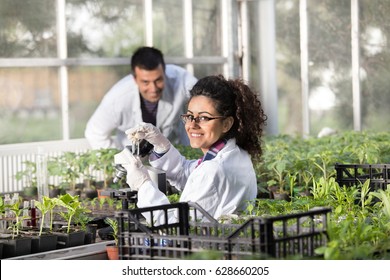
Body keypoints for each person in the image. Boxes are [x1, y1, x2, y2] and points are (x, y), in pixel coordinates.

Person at [114, 75, 267, 220]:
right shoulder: (233, 153)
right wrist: (161, 145)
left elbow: (174, 226)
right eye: (189, 116)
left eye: (204, 117)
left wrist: (143, 186)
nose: (192, 125)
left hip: (208, 246)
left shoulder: (213, 169)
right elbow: (189, 174)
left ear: (226, 123)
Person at [85, 46, 198, 149]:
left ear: (165, 72)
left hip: (174, 156)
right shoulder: (117, 98)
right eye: (145, 82)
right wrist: (121, 161)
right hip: (133, 159)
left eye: (158, 80)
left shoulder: (182, 81)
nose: (153, 88)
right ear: (134, 79)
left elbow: (204, 101)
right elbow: (94, 133)